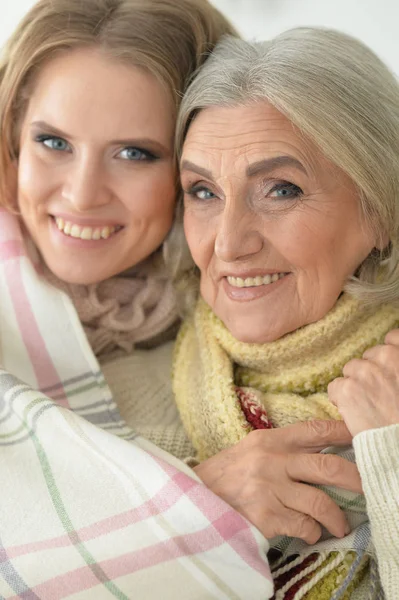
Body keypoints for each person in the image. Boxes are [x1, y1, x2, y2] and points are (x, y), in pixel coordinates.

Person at [0, 1, 276, 597]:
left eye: (134, 154)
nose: (81, 194)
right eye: (53, 141)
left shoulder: (245, 336)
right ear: (13, 135)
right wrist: (195, 496)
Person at [173, 28, 399, 598]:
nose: (228, 245)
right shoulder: (116, 375)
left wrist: (390, 454)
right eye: (202, 192)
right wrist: (199, 503)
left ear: (380, 211)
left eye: (280, 189)